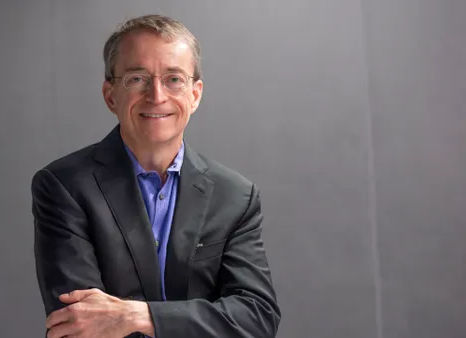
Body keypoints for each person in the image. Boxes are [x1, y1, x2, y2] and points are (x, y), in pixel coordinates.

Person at [31, 14, 280, 338]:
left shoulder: (235, 196)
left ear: (195, 94)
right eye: (137, 78)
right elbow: (80, 324)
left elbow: (257, 318)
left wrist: (140, 316)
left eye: (174, 79)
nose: (157, 95)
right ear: (110, 95)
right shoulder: (64, 187)